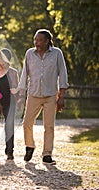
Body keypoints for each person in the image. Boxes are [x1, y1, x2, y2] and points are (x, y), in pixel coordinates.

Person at [18, 29, 68, 165]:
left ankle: (47, 153)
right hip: (33, 94)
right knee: (27, 123)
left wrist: (61, 95)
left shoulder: (57, 53)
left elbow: (63, 74)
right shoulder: (29, 53)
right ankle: (30, 146)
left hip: (51, 95)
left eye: (39, 40)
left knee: (49, 126)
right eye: (35, 40)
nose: (36, 42)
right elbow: (24, 74)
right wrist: (21, 95)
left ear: (47, 41)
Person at [0, 48, 19, 160]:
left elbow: (16, 88)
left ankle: (9, 151)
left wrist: (15, 90)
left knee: (9, 126)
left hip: (9, 103)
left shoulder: (13, 72)